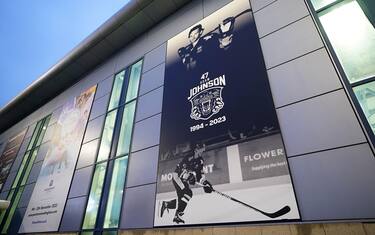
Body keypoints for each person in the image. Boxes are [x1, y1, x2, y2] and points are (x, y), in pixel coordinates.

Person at [160, 143, 214, 224]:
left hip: (183, 180)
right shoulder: (188, 158)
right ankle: (177, 216)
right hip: (177, 178)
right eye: (200, 150)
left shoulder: (200, 161)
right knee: (188, 193)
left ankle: (167, 204)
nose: (202, 152)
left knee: (182, 200)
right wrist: (190, 178)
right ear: (196, 150)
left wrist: (205, 183)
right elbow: (181, 173)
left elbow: (199, 175)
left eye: (203, 150)